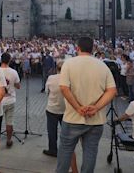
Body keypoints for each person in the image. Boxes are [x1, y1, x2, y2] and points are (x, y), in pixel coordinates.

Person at [57, 37, 117, 173]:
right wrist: (96, 107)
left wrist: (78, 108)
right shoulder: (103, 66)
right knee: (90, 153)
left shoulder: (68, 64)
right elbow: (112, 90)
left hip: (72, 117)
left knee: (65, 151)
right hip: (95, 119)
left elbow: (64, 88)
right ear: (93, 49)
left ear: (77, 48)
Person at [43, 61, 78, 173]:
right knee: (66, 133)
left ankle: (53, 150)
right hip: (66, 110)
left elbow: (46, 92)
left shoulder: (51, 78)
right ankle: (66, 151)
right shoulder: (69, 80)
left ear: (56, 68)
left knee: (52, 131)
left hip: (52, 108)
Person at [0, 52, 21, 147]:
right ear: (9, 61)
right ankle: (9, 140)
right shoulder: (13, 72)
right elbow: (18, 86)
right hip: (10, 100)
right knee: (9, 122)